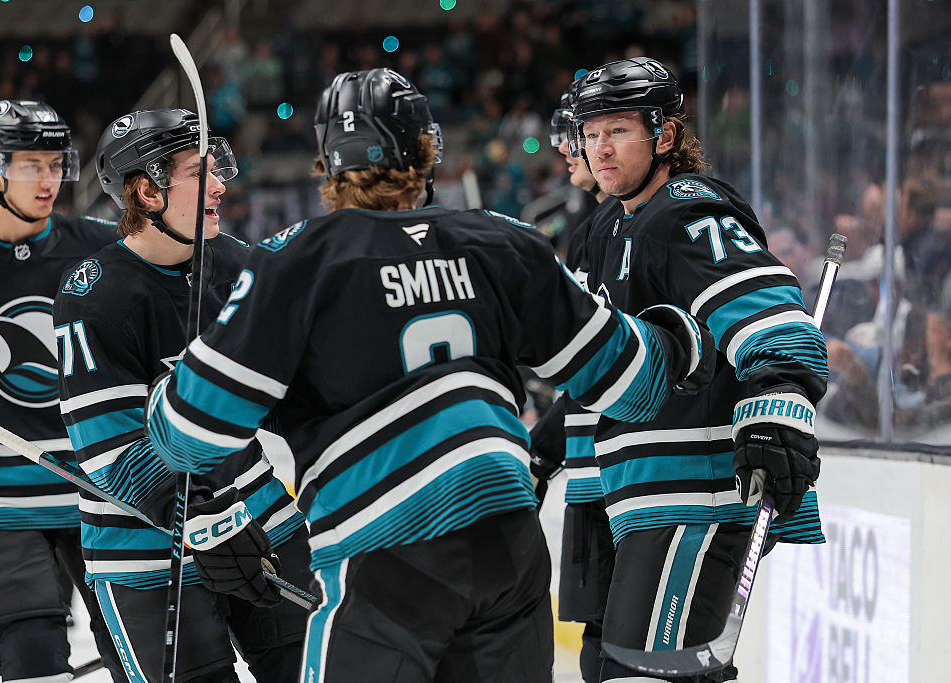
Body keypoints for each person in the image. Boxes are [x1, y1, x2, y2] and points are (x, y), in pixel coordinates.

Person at [143, 68, 714, 683]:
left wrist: (179, 380)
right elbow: (636, 381)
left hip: (384, 552)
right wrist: (683, 338)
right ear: (425, 149)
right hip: (508, 544)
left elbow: (190, 433)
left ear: (328, 161)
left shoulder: (296, 260)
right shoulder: (503, 241)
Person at [566, 58, 829, 682]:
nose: (600, 148)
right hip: (649, 493)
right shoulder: (615, 224)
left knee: (645, 674)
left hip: (699, 493)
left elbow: (772, 317)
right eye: (591, 131)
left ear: (664, 136)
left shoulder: (686, 211)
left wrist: (776, 411)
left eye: (619, 130)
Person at [54, 108, 312, 683]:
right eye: (201, 172)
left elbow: (304, 397)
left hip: (261, 517)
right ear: (147, 190)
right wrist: (203, 518)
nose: (222, 184)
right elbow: (112, 456)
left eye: (219, 168)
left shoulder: (239, 269)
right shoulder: (94, 298)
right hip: (144, 554)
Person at [0, 100, 126, 682]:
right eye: (30, 166)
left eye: (55, 164)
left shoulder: (98, 246)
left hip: (95, 483)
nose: (48, 181)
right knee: (33, 660)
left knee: (141, 647)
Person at [528, 80, 622, 683]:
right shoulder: (593, 229)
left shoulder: (634, 224)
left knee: (619, 655)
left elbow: (615, 369)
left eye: (578, 136)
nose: (567, 150)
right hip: (593, 471)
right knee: (596, 647)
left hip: (627, 478)